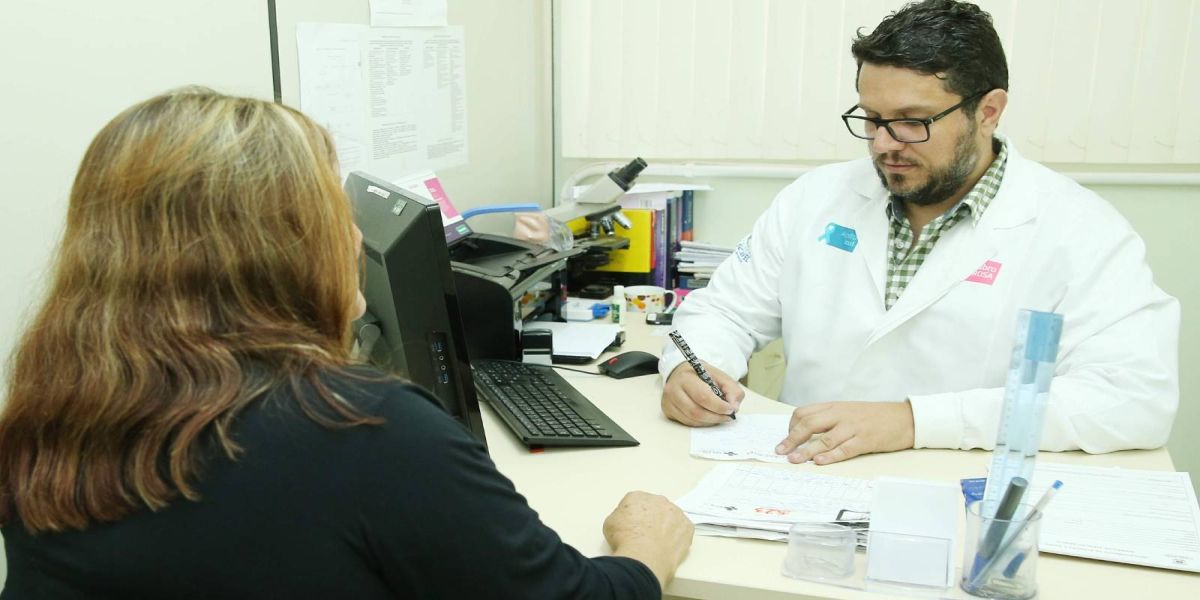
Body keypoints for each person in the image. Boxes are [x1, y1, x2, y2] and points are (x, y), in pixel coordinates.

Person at [0, 89, 693, 599]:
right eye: (333, 210)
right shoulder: (358, 428)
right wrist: (645, 551)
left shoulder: (47, 411)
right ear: (279, 248)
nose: (354, 238)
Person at [659, 0, 1179, 466]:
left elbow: (1132, 400)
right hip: (800, 476)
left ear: (988, 111)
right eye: (872, 118)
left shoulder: (1081, 230)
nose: (885, 143)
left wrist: (912, 421)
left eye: (913, 121)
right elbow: (723, 310)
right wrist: (691, 368)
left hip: (961, 485)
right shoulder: (815, 198)